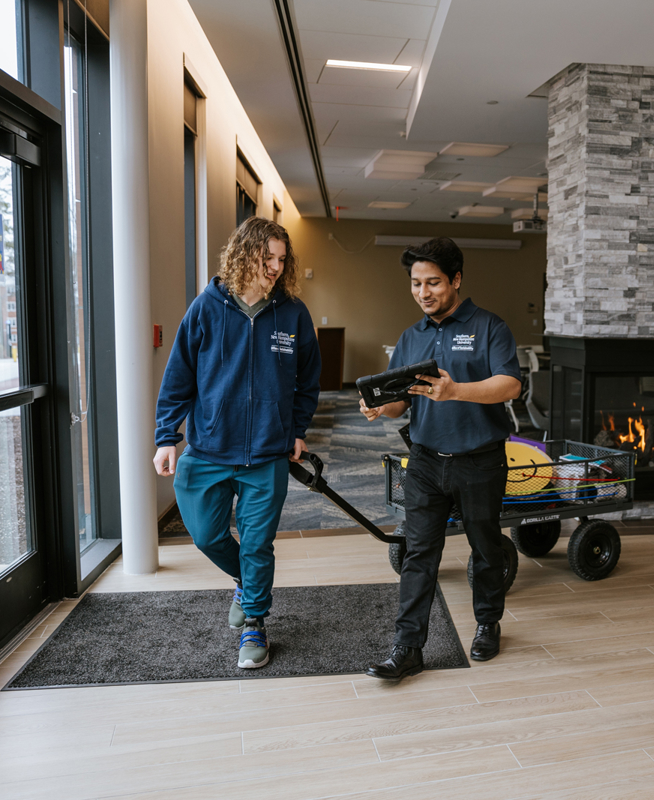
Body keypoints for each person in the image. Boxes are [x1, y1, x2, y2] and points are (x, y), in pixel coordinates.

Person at [153, 217, 321, 669]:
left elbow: (309, 380)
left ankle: (254, 623)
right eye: (267, 257)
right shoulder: (206, 308)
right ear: (244, 254)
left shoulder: (292, 313)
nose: (274, 267)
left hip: (268, 452)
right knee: (206, 534)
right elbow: (178, 378)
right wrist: (167, 436)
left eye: (281, 259)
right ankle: (248, 585)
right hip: (208, 448)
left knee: (256, 542)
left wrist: (298, 429)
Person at [360, 237, 521, 681]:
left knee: (486, 550)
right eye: (415, 283)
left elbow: (510, 385)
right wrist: (379, 408)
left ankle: (488, 622)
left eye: (433, 282)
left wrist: (457, 391)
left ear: (456, 280)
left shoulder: (490, 327)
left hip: (479, 460)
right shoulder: (411, 337)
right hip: (427, 461)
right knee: (418, 553)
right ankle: (407, 647)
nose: (423, 292)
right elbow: (401, 404)